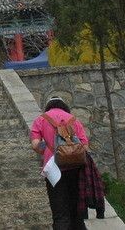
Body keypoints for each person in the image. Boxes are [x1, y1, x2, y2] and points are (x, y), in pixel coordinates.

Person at [30, 96, 90, 230]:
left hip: (53, 171)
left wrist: (48, 150)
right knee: (77, 214)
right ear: (64, 106)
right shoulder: (74, 120)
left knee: (60, 214)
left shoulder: (41, 119)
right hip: (76, 171)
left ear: (48, 106)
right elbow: (85, 147)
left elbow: (35, 145)